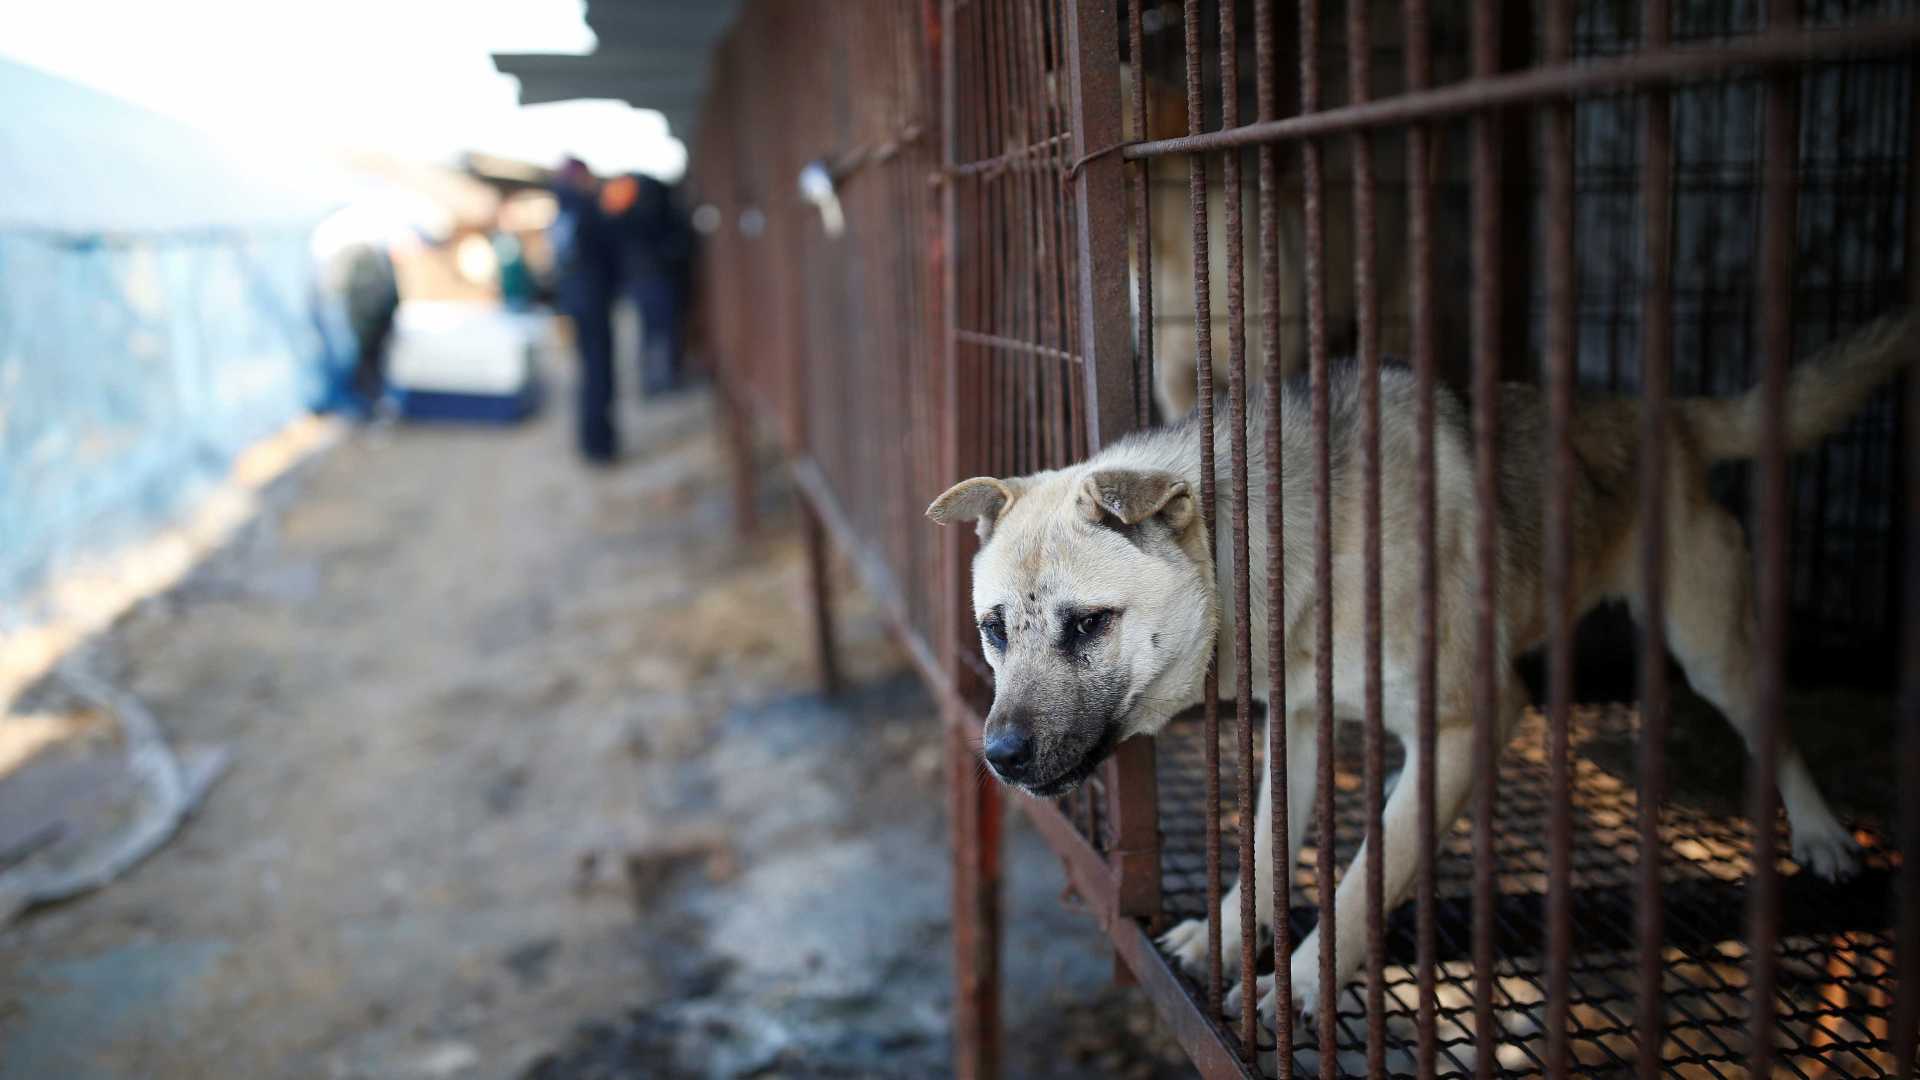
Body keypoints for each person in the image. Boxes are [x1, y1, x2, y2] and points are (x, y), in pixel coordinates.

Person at [548, 157, 621, 462]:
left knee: (588, 372)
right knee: (598, 372)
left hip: (575, 300)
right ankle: (599, 445)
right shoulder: (586, 208)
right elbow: (608, 252)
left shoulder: (562, 212)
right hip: (592, 300)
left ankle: (592, 442)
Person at [607, 174, 694, 396]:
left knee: (651, 332)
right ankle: (660, 380)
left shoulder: (625, 215)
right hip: (653, 278)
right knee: (661, 330)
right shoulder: (648, 213)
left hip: (640, 280)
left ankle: (654, 381)